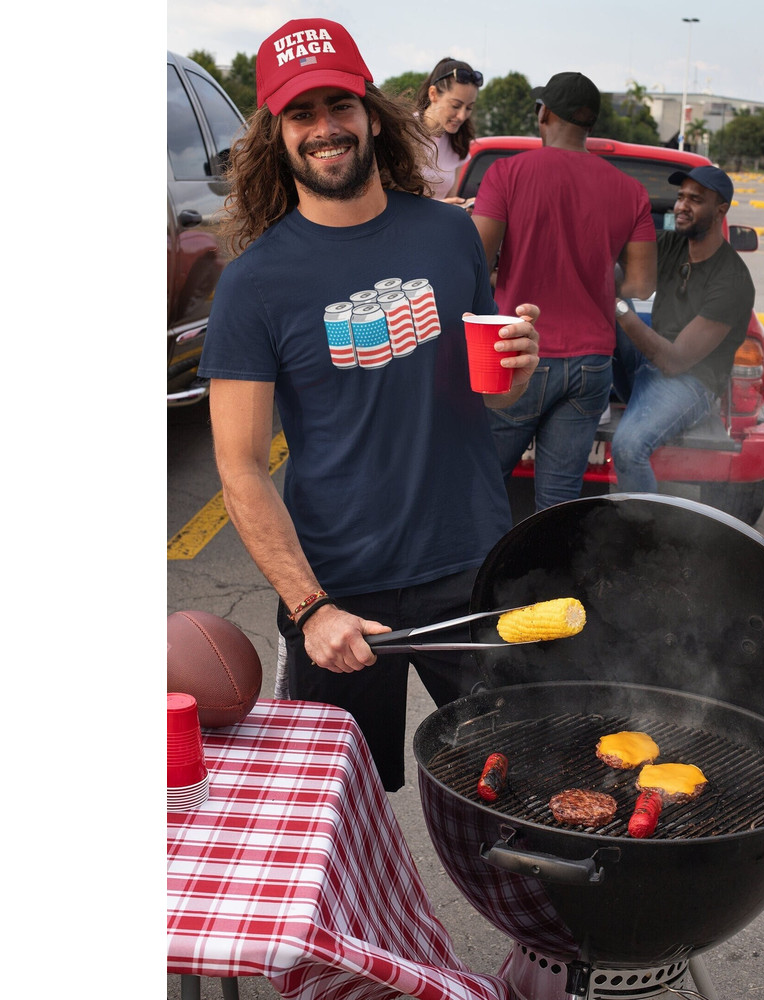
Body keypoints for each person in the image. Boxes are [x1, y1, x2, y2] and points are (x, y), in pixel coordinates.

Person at [197, 18, 539, 793]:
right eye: (301, 114)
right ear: (276, 134)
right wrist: (310, 605)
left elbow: (494, 387)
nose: (325, 128)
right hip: (339, 590)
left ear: (372, 113)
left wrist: (519, 366)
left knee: (513, 784)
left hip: (471, 566)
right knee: (337, 808)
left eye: (338, 105)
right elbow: (241, 469)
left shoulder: (450, 237)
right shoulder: (255, 284)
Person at [471, 72, 656, 513]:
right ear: (589, 124)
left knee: (480, 483)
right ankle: (548, 581)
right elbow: (642, 285)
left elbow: (474, 261)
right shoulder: (630, 191)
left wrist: (503, 278)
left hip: (521, 357)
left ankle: (476, 577)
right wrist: (594, 282)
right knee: (558, 503)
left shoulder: (507, 174)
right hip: (593, 364)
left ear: (545, 114)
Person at [611, 165, 755, 493]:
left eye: (695, 199)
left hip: (690, 382)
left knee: (629, 448)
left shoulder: (732, 281)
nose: (681, 206)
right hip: (646, 366)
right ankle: (575, 390)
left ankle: (640, 536)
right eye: (679, 197)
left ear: (720, 210)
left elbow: (675, 361)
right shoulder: (672, 245)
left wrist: (616, 305)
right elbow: (610, 249)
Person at [414, 57, 482, 204]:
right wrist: (440, 208)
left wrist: (462, 206)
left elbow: (450, 199)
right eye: (456, 106)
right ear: (433, 94)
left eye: (469, 107)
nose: (462, 116)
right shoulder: (403, 133)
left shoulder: (458, 143)